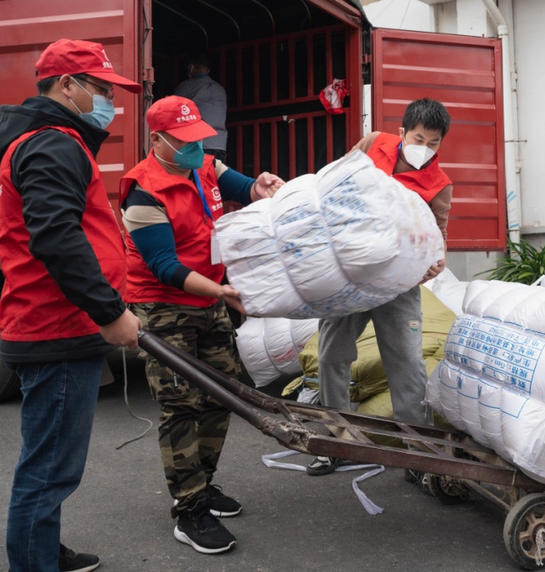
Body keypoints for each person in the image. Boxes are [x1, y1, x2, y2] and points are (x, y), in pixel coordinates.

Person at [0, 38, 143, 572]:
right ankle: (32, 564)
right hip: (55, 327)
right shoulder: (52, 143)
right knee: (49, 468)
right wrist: (109, 311)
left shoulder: (53, 141)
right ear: (66, 85)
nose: (109, 102)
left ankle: (42, 551)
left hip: (57, 322)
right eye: (100, 89)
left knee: (50, 461)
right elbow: (56, 238)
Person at [120, 95, 284, 555]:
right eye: (185, 141)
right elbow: (162, 265)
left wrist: (263, 185)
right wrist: (223, 293)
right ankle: (188, 510)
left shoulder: (204, 167)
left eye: (199, 139)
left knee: (224, 392)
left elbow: (247, 187)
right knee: (181, 405)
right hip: (164, 306)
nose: (196, 148)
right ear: (158, 140)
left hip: (208, 300)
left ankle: (203, 483)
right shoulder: (142, 192)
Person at [306, 98, 453, 476]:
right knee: (332, 354)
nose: (425, 149)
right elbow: (336, 182)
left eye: (434, 143)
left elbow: (439, 241)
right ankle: (338, 441)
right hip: (351, 275)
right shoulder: (373, 143)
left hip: (398, 285)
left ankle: (419, 451)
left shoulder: (439, 186)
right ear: (401, 132)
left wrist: (433, 263)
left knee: (406, 362)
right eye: (419, 138)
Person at [174, 52, 228, 162]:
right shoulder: (221, 89)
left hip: (198, 144)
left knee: (197, 178)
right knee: (216, 177)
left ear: (191, 67)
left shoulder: (187, 86)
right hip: (220, 144)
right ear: (208, 70)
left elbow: (172, 110)